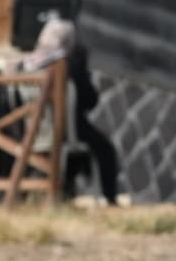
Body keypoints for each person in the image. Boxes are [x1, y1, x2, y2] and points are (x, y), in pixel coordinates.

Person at [33, 12, 119, 204]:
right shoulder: (68, 65)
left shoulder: (30, 64)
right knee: (104, 149)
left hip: (30, 130)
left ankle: (65, 190)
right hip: (65, 131)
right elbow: (90, 101)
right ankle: (110, 198)